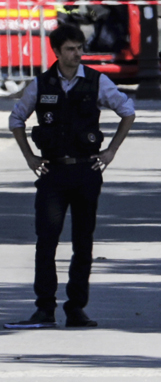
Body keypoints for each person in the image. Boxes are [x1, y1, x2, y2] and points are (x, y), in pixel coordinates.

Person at [4, 24, 136, 329]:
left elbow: (127, 111)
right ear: (57, 52)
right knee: (46, 240)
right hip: (53, 171)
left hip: (85, 170)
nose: (77, 54)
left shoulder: (95, 81)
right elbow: (16, 119)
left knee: (83, 242)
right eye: (70, 49)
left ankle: (76, 308)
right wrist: (29, 157)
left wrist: (111, 151)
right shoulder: (41, 84)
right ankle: (44, 308)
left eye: (79, 48)